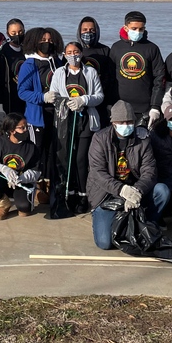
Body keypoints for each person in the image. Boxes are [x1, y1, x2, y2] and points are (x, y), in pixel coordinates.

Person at [86, 100, 164, 249]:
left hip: (134, 189)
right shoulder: (99, 139)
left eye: (129, 122)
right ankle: (115, 218)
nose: (126, 125)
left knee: (162, 191)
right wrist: (122, 190)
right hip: (106, 195)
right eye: (121, 122)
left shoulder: (143, 139)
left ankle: (147, 223)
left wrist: (137, 191)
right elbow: (97, 172)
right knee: (104, 243)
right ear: (113, 123)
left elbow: (150, 171)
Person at [48, 40, 104, 213]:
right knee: (67, 158)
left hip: (86, 120)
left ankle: (83, 195)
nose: (73, 55)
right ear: (64, 55)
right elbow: (54, 95)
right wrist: (62, 101)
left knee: (81, 159)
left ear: (81, 53)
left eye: (76, 52)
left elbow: (99, 96)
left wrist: (83, 100)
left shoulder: (90, 72)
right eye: (69, 52)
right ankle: (69, 193)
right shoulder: (59, 72)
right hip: (65, 121)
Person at [17, 27, 64, 204]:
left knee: (54, 152)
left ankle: (50, 187)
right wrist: (42, 97)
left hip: (57, 115)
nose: (47, 43)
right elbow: (22, 92)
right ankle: (35, 188)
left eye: (50, 40)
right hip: (37, 116)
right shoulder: (29, 65)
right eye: (43, 40)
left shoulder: (58, 62)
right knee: (37, 153)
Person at [108, 11, 166, 126]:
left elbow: (159, 79)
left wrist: (155, 106)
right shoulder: (116, 47)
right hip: (120, 107)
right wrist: (109, 103)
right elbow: (109, 77)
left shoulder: (152, 48)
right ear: (126, 28)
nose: (138, 32)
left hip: (145, 108)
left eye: (141, 29)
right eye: (134, 29)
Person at [0, 113, 40, 219]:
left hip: (21, 182)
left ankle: (31, 196)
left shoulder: (31, 147)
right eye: (22, 128)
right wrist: (3, 168)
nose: (26, 130)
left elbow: (36, 171)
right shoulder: (0, 143)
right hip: (4, 179)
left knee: (24, 208)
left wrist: (21, 178)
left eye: (26, 127)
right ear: (12, 130)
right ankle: (3, 205)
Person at [0, 18, 27, 129]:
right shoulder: (2, 52)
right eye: (13, 33)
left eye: (20, 32)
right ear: (8, 33)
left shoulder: (27, 51)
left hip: (25, 100)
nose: (17, 35)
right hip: (8, 100)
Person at [76, 16, 114, 111]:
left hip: (100, 98)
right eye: (85, 30)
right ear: (79, 31)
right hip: (78, 97)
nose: (88, 33)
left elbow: (111, 76)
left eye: (92, 30)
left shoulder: (105, 50)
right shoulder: (74, 50)